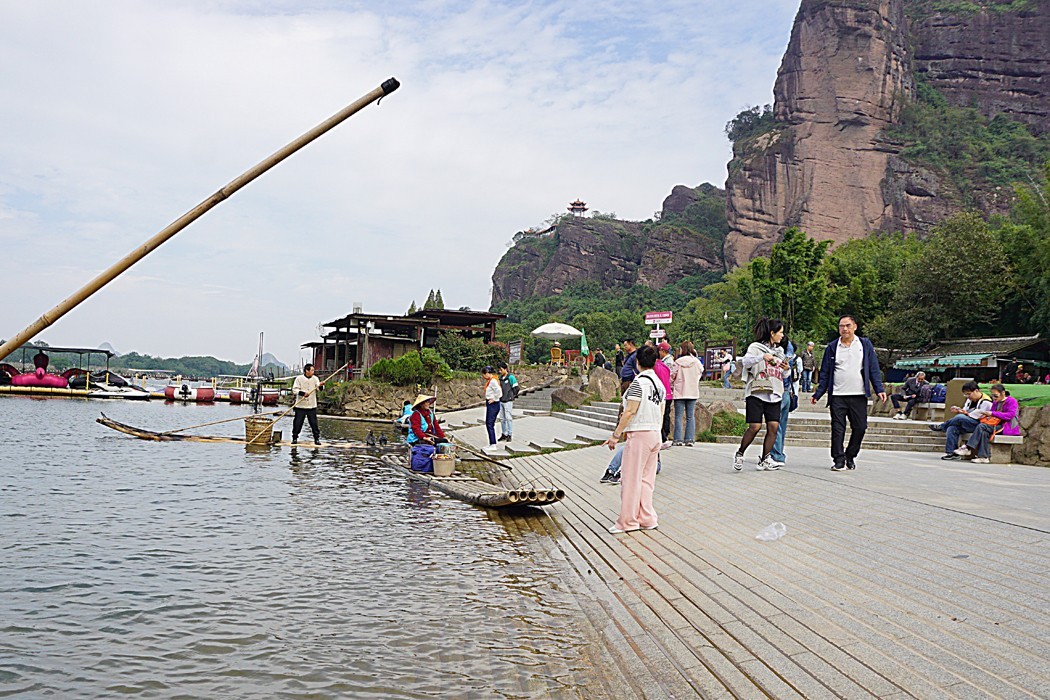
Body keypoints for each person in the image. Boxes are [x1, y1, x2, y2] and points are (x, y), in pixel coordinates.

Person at [812, 315, 886, 471]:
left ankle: (850, 455)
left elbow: (873, 368)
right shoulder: (832, 347)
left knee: (860, 427)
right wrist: (818, 393)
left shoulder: (864, 344)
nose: (844, 329)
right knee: (838, 429)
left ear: (855, 327)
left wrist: (879, 389)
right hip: (838, 395)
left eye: (847, 325)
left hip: (858, 395)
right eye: (841, 326)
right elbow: (825, 373)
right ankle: (838, 459)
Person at [604, 345, 664, 534]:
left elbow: (630, 411)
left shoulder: (639, 383)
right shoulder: (658, 384)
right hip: (655, 433)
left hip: (640, 434)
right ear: (655, 362)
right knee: (647, 479)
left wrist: (615, 435)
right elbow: (661, 410)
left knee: (630, 479)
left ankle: (628, 521)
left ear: (637, 362)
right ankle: (647, 518)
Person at [734, 318, 789, 472]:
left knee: (773, 427)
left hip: (775, 393)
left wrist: (786, 368)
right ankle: (740, 453)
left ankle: (765, 459)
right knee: (755, 426)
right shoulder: (755, 347)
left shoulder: (779, 352)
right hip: (757, 392)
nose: (782, 336)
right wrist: (762, 357)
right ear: (772, 333)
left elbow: (784, 375)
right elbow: (745, 362)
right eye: (780, 332)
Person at [951, 383, 1019, 463]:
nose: (994, 398)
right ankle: (983, 457)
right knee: (983, 432)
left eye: (996, 396)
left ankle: (968, 447)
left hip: (1006, 427)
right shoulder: (995, 402)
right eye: (992, 396)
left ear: (1003, 393)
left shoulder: (1011, 401)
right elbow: (992, 414)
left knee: (981, 427)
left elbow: (1010, 415)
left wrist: (992, 414)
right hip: (994, 424)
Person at [930, 381, 992, 460]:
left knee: (959, 417)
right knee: (952, 428)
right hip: (968, 422)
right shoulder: (969, 400)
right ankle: (951, 453)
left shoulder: (986, 402)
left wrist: (965, 413)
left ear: (976, 391)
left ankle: (942, 426)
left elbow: (980, 415)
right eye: (966, 394)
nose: (967, 396)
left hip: (979, 424)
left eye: (969, 394)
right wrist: (960, 410)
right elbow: (965, 410)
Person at [768, 338, 798, 468]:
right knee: (782, 426)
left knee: (775, 426)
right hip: (787, 393)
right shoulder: (789, 356)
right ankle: (779, 454)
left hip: (778, 393)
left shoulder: (777, 355)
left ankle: (777, 455)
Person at [670, 340, 703, 446]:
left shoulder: (678, 362)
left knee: (678, 416)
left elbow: (672, 376)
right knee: (690, 416)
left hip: (680, 391)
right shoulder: (696, 362)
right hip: (692, 391)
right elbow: (700, 372)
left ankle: (677, 439)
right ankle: (689, 439)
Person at [406, 394, 448, 472]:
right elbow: (416, 429)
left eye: (429, 402)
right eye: (426, 402)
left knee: (444, 442)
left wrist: (443, 437)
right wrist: (424, 437)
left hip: (429, 437)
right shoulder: (416, 414)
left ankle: (440, 464)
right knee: (427, 443)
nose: (428, 403)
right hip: (417, 438)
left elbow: (436, 426)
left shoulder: (430, 413)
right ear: (421, 404)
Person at [291, 363, 322, 445]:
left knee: (314, 423)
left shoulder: (315, 379)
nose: (313, 372)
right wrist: (303, 393)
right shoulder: (299, 378)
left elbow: (319, 388)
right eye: (311, 370)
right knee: (298, 423)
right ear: (306, 371)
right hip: (300, 405)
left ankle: (316, 439)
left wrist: (321, 386)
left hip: (311, 405)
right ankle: (294, 438)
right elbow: (295, 390)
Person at [654, 342, 674, 445]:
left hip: (662, 394)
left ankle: (663, 438)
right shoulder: (664, 364)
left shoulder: (659, 365)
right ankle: (665, 436)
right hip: (668, 393)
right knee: (665, 415)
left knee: (661, 416)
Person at [496, 361, 519, 442]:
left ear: (505, 369)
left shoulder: (511, 377)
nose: (500, 371)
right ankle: (504, 433)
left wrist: (512, 396)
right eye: (499, 370)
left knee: (508, 418)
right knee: (502, 418)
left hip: (508, 400)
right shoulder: (500, 378)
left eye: (501, 369)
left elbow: (516, 388)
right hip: (501, 400)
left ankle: (510, 434)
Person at [482, 366, 502, 447]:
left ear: (487, 373)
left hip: (493, 404)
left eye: (483, 375)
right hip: (491, 403)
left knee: (489, 423)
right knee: (489, 423)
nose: (483, 377)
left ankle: (493, 444)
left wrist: (494, 398)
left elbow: (499, 392)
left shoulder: (493, 381)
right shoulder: (490, 381)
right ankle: (491, 442)